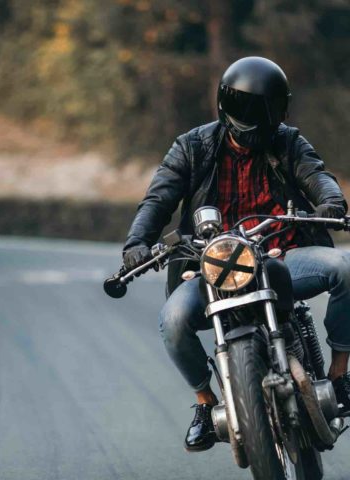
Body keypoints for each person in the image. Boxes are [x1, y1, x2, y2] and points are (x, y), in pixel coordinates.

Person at [122, 56, 350, 453]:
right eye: (246, 110)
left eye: (266, 110)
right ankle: (205, 404)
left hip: (281, 255)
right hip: (212, 270)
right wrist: (136, 243)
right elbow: (158, 199)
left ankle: (340, 375)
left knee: (344, 269)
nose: (254, 120)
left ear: (280, 108)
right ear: (225, 106)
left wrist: (331, 203)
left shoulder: (289, 141)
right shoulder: (192, 147)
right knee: (173, 320)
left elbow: (318, 177)